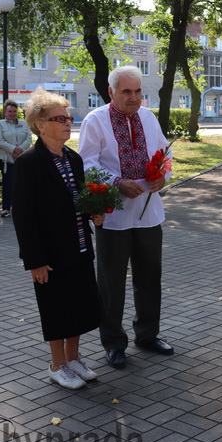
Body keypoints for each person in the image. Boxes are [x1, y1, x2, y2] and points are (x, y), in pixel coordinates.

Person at [78, 65, 173, 370]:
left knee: (150, 276)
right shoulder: (96, 120)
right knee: (111, 281)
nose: (134, 98)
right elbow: (87, 163)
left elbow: (164, 152)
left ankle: (147, 334)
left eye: (138, 92)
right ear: (111, 92)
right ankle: (114, 342)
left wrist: (163, 176)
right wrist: (117, 182)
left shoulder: (147, 116)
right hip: (113, 215)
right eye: (126, 92)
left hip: (148, 212)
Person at [12, 88, 104, 390]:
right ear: (40, 125)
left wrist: (94, 213)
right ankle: (56, 365)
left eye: (69, 117)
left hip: (78, 246)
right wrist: (34, 260)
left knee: (79, 305)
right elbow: (23, 216)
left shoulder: (73, 159)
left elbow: (77, 200)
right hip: (49, 255)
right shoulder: (29, 163)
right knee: (55, 309)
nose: (68, 122)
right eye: (60, 118)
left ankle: (73, 357)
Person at [0, 99, 32, 217]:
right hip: (7, 158)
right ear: (5, 112)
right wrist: (13, 150)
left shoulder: (24, 123)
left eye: (14, 111)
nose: (12, 114)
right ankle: (6, 208)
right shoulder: (0, 124)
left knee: (21, 184)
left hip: (21, 158)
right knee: (8, 183)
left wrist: (20, 150)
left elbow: (28, 138)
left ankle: (21, 207)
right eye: (10, 111)